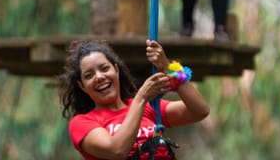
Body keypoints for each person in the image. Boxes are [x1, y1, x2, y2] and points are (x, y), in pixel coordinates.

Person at [61, 39, 210, 159]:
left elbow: (199, 111)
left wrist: (168, 67)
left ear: (116, 70)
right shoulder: (82, 123)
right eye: (89, 75)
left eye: (105, 68)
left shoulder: (148, 108)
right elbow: (117, 150)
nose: (99, 77)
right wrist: (142, 97)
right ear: (82, 86)